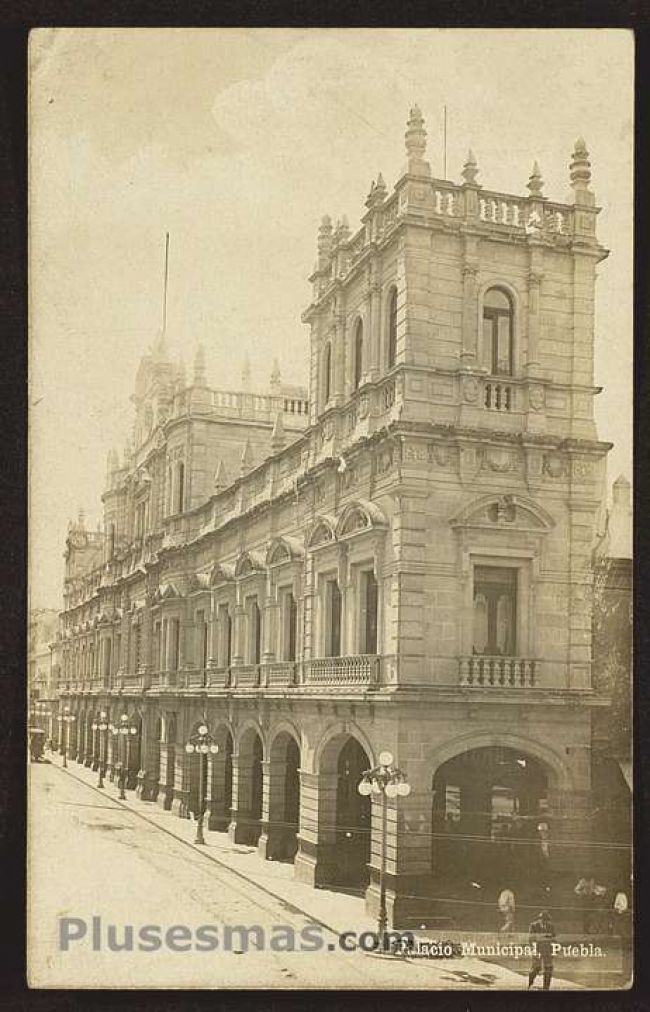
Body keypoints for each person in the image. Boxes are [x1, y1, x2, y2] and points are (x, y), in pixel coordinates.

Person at [528, 909, 556, 990]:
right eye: (543, 919)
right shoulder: (533, 925)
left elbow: (553, 938)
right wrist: (534, 950)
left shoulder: (551, 926)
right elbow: (531, 938)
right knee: (536, 968)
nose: (544, 921)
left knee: (549, 969)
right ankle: (530, 983)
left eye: (546, 920)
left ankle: (546, 988)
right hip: (537, 949)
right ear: (539, 919)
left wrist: (554, 949)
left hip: (548, 950)